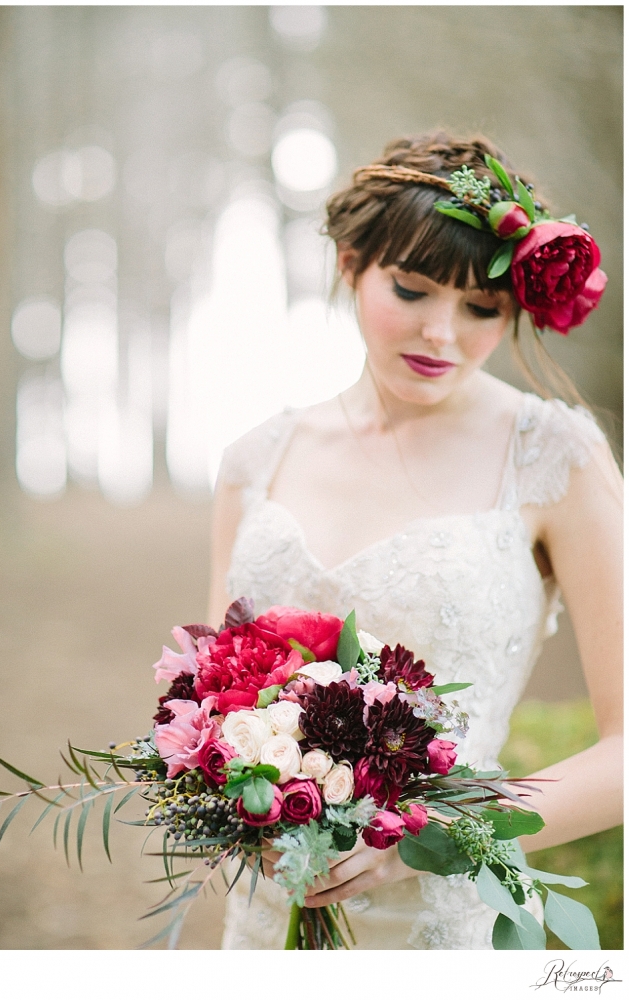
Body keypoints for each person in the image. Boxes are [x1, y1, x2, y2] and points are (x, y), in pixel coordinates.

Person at [207, 132, 622, 949]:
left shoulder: (553, 457)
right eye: (411, 289)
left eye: (480, 309)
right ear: (350, 265)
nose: (441, 332)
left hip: (447, 925)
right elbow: (217, 692)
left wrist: (426, 838)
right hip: (263, 923)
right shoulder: (254, 460)